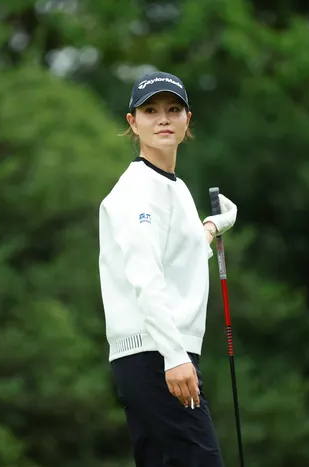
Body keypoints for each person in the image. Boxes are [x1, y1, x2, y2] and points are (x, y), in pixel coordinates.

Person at [97, 71, 239, 467]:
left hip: (157, 352)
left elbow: (173, 253)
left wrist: (210, 228)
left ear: (187, 119)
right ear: (133, 122)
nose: (163, 119)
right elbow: (146, 276)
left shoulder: (172, 186)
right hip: (156, 353)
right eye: (151, 111)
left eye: (173, 109)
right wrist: (174, 356)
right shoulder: (137, 189)